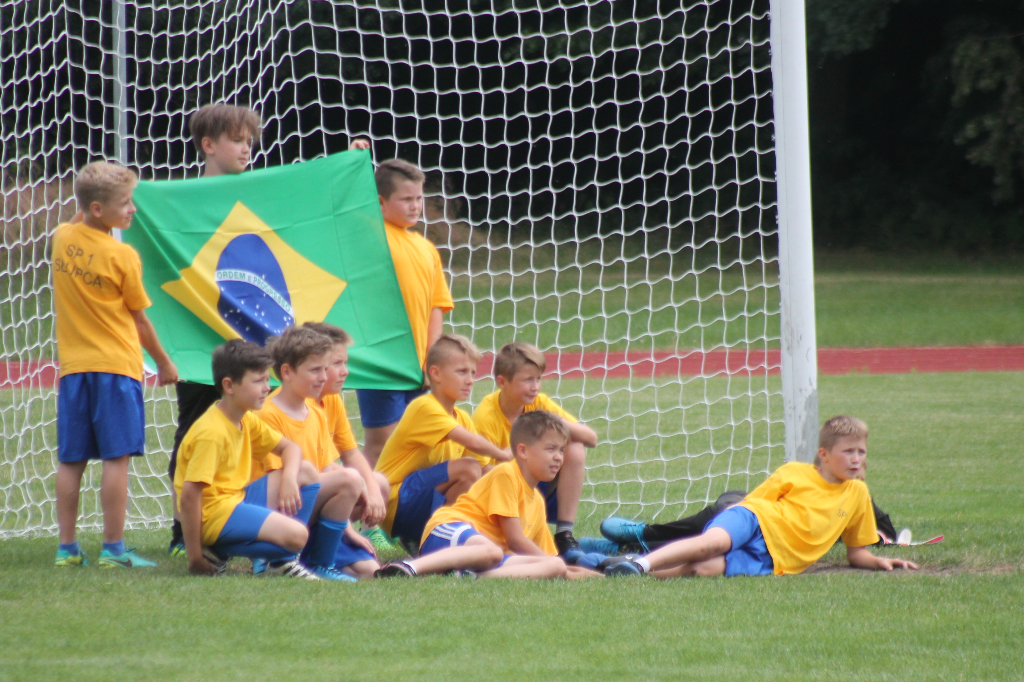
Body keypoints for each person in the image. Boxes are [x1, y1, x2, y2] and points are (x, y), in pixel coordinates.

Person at [167, 104, 371, 556]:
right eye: (238, 140)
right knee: (196, 431)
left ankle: (251, 516)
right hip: (200, 343)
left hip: (254, 347)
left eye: (250, 141)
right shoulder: (177, 202)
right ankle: (186, 532)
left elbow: (304, 200)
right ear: (208, 145)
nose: (246, 149)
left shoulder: (261, 191)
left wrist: (344, 164)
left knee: (252, 433)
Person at [52, 161, 178, 569]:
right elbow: (141, 319)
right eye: (125, 203)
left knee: (71, 459)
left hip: (73, 370)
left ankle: (66, 548)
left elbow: (78, 222)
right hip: (117, 368)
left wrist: (93, 204)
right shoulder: (123, 255)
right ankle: (113, 548)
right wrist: (163, 363)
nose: (133, 210)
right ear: (98, 209)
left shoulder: (60, 237)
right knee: (116, 458)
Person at [606, 416, 919, 577]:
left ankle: (625, 568)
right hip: (754, 521)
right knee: (711, 544)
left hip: (774, 558)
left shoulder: (858, 494)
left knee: (702, 569)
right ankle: (641, 565)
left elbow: (856, 554)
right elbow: (751, 505)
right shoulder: (794, 472)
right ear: (823, 454)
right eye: (848, 451)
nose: (856, 459)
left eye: (861, 452)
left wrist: (879, 561)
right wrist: (730, 525)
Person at [376, 411, 592, 579]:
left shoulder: (536, 501)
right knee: (493, 552)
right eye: (551, 449)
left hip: (485, 556)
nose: (558, 458)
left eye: (562, 451)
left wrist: (602, 573)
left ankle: (473, 578)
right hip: (449, 530)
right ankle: (408, 567)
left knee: (552, 566)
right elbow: (516, 541)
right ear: (523, 451)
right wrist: (562, 568)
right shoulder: (507, 474)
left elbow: (551, 561)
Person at [175, 339, 321, 579]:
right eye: (258, 381)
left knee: (305, 471)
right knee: (298, 537)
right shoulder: (211, 433)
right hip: (213, 514)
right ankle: (216, 551)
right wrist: (194, 556)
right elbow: (190, 496)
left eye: (266, 379)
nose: (267, 387)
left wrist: (289, 481)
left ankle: (280, 563)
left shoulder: (245, 418)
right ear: (229, 386)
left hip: (236, 498)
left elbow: (291, 449)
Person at [356, 159, 454, 467]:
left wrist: (431, 357)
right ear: (381, 203)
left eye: (419, 198)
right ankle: (348, 511)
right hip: (382, 363)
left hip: (419, 365)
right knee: (382, 444)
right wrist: (351, 163)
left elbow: (437, 305)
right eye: (406, 199)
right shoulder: (370, 236)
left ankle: (406, 511)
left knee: (420, 443)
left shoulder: (427, 248)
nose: (415, 206)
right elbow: (343, 211)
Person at [373, 334, 510, 551]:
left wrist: (514, 476)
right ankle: (441, 542)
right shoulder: (424, 407)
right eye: (462, 371)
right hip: (393, 504)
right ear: (435, 373)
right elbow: (473, 444)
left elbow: (485, 469)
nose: (470, 380)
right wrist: (505, 455)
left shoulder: (462, 417)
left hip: (419, 501)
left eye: (473, 372)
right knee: (467, 469)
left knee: (478, 476)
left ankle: (433, 541)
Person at [253, 326, 369, 581]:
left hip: (304, 506)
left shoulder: (315, 412)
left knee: (353, 479)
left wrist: (358, 490)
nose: (323, 377)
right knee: (339, 477)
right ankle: (276, 555)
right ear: (287, 372)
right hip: (271, 509)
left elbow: (327, 468)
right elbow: (276, 477)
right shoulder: (268, 415)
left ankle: (318, 563)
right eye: (316, 370)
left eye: (325, 370)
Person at [472, 342, 598, 562]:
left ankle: (564, 535)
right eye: (527, 380)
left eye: (538, 379)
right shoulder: (486, 417)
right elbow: (482, 472)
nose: (535, 387)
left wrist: (551, 419)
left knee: (575, 449)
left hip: (537, 491)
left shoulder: (538, 403)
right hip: (502, 495)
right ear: (502, 382)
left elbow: (590, 438)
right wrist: (510, 458)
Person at [301, 321, 391, 575]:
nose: (345, 371)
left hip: (323, 497)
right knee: (350, 479)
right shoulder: (298, 405)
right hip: (294, 505)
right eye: (338, 364)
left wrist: (372, 492)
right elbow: (317, 473)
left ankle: (325, 545)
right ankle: (315, 555)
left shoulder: (331, 400)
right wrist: (350, 531)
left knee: (379, 483)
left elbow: (350, 453)